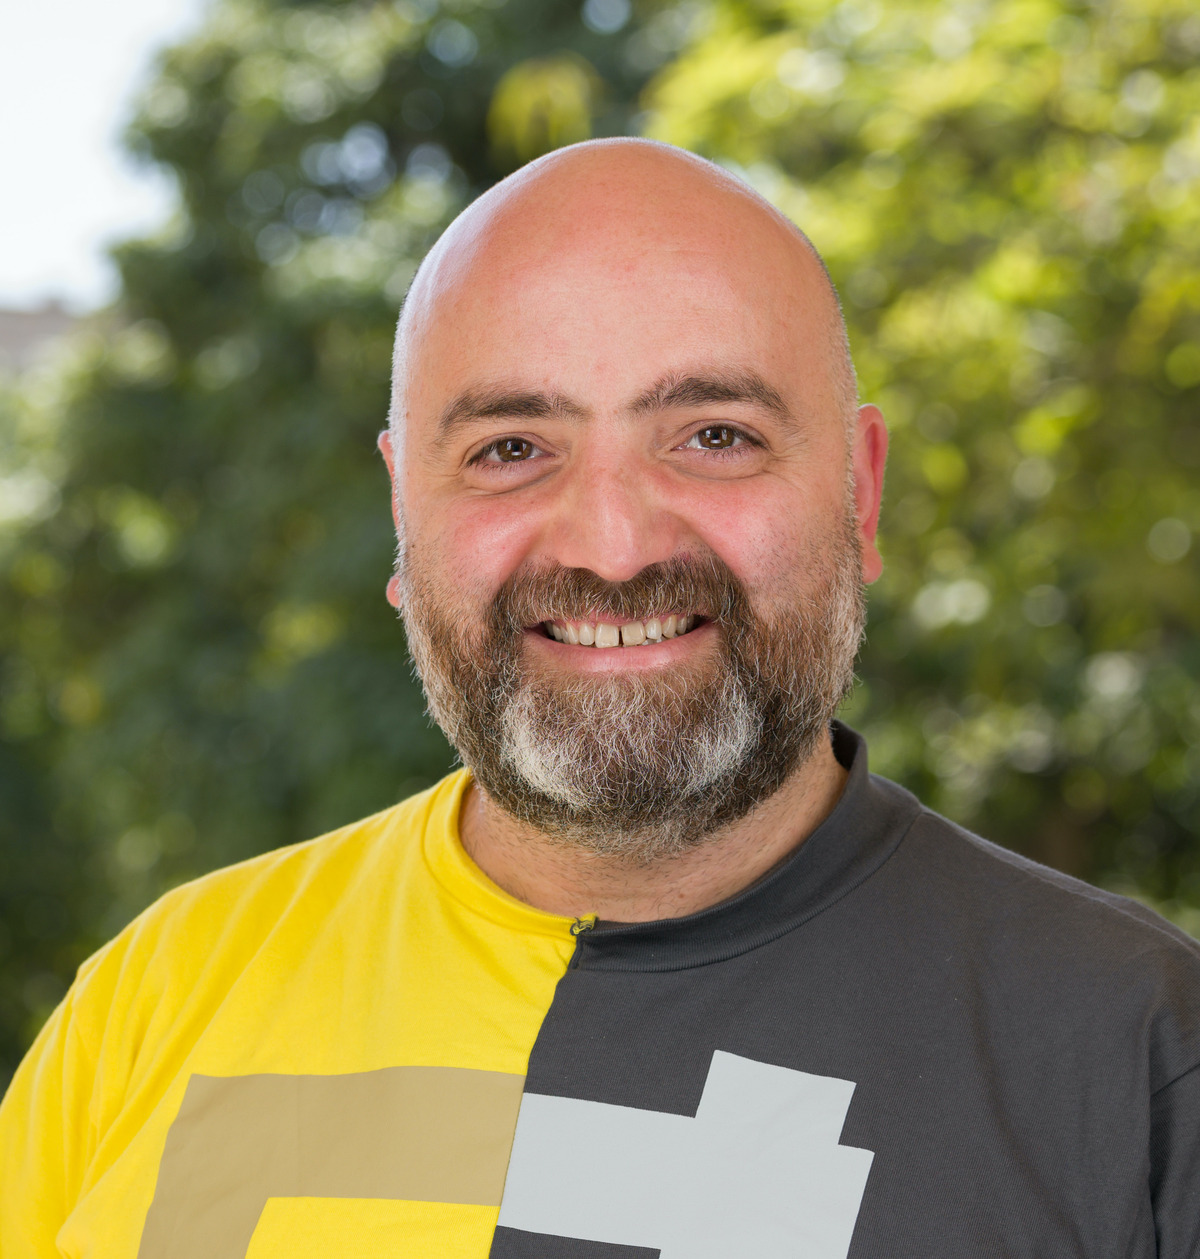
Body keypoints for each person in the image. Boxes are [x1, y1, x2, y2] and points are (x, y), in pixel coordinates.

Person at [1, 138, 1197, 1259]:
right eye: (512, 448)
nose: (615, 548)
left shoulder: (1136, 1056)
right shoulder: (155, 1001)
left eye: (714, 434)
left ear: (861, 492)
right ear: (403, 516)